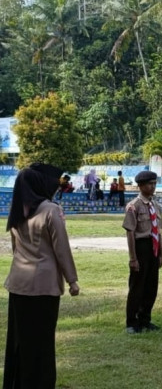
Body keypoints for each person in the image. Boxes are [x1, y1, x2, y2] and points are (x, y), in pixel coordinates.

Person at [3, 162, 80, 389]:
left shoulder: (18, 208)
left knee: (20, 341)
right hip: (43, 287)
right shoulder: (50, 210)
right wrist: (72, 280)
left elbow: (16, 247)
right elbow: (61, 249)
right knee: (42, 342)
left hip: (18, 283)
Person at [123, 171, 162, 334]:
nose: (152, 187)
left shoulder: (155, 205)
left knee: (151, 286)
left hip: (153, 247)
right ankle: (132, 322)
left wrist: (160, 253)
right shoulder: (134, 206)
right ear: (140, 186)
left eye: (154, 183)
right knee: (137, 286)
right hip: (141, 247)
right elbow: (130, 233)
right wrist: (133, 258)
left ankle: (145, 319)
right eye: (149, 184)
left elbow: (158, 231)